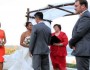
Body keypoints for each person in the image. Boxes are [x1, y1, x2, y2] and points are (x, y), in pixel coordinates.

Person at [69, 0, 90, 70]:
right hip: (82, 50)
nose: (74, 8)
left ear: (83, 6)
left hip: (82, 51)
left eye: (76, 6)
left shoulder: (86, 17)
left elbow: (79, 33)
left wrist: (71, 42)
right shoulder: (84, 16)